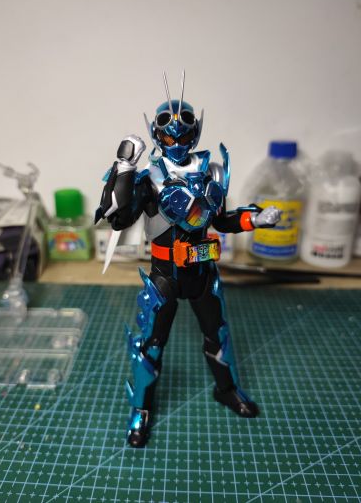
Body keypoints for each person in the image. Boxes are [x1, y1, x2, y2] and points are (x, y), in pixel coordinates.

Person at [95, 72, 281, 447]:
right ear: (156, 133)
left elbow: (222, 220)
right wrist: (125, 169)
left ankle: (226, 389)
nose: (176, 139)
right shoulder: (150, 178)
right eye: (169, 134)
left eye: (183, 132)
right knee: (151, 345)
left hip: (202, 271)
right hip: (164, 274)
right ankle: (141, 410)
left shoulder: (211, 171)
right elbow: (119, 218)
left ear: (195, 131)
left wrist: (255, 218)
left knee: (218, 334)